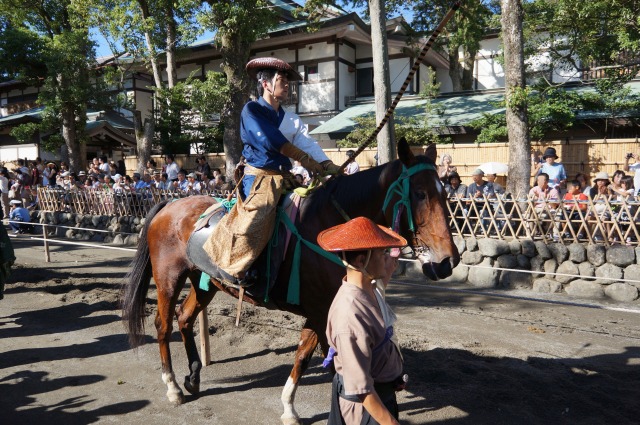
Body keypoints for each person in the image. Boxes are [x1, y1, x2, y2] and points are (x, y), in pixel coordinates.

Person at [203, 56, 339, 284]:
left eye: (287, 80)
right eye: (281, 79)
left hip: (285, 178)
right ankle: (237, 268)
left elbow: (306, 142)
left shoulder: (291, 118)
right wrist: (305, 160)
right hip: (259, 180)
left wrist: (327, 165)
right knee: (257, 220)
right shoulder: (252, 110)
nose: (286, 84)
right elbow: (270, 140)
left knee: (315, 207)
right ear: (265, 83)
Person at [318, 216, 407, 425]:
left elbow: (382, 280)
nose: (386, 258)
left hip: (381, 394)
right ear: (361, 261)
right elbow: (361, 388)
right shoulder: (350, 316)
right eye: (381, 253)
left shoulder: (367, 288)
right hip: (364, 410)